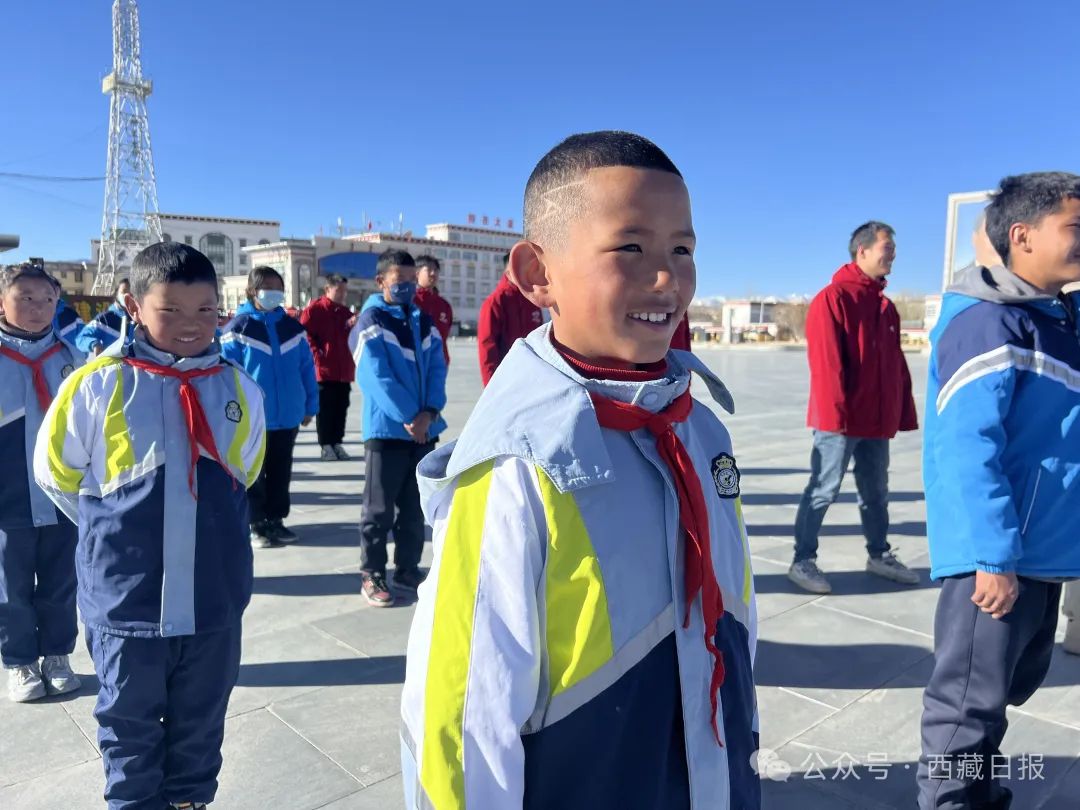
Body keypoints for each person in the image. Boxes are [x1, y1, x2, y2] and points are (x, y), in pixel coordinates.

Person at [400, 131, 759, 809]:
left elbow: (735, 621)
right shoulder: (516, 464)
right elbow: (462, 718)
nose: (667, 279)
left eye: (682, 251)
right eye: (631, 248)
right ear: (538, 273)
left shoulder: (700, 429)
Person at [34, 242, 266, 810]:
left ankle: (190, 800)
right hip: (127, 604)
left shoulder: (238, 387)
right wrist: (113, 534)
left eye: (205, 310)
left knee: (202, 719)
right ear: (133, 306)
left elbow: (249, 469)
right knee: (127, 723)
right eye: (171, 310)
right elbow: (56, 475)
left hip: (213, 599)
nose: (191, 325)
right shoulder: (96, 385)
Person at [918, 172, 1080, 808]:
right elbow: (966, 448)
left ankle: (979, 795)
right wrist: (992, 555)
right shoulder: (988, 323)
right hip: (998, 557)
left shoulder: (1056, 318)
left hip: (1039, 551)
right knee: (966, 706)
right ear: (1023, 236)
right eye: (1075, 227)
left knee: (1003, 690)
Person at [788, 220, 921, 594]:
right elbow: (826, 365)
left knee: (876, 491)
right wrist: (835, 418)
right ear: (862, 251)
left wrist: (900, 412)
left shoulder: (885, 307)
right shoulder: (833, 298)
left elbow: (896, 366)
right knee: (824, 488)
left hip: (875, 421)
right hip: (840, 421)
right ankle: (802, 560)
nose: (892, 255)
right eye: (887, 248)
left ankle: (879, 554)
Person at [0, 262, 82, 703]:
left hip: (61, 498)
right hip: (8, 496)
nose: (38, 308)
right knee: (9, 587)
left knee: (60, 583)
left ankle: (57, 654)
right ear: (2, 302)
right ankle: (19, 661)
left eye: (48, 299)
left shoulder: (72, 359)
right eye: (26, 298)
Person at [350, 249, 447, 607]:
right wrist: (411, 416)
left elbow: (437, 367)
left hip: (424, 428)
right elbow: (375, 376)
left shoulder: (423, 320)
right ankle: (372, 572)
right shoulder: (371, 321)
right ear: (381, 281)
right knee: (378, 509)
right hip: (387, 430)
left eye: (410, 279)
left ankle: (407, 568)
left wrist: (430, 412)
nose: (407, 286)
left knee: (414, 507)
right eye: (399, 280)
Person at [222, 266, 318, 549]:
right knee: (253, 473)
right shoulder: (237, 329)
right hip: (253, 418)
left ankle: (276, 519)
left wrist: (310, 405)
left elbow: (306, 369)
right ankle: (255, 523)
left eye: (279, 288)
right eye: (268, 288)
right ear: (252, 291)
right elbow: (227, 376)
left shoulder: (293, 328)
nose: (274, 293)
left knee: (280, 470)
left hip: (287, 415)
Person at [300, 273, 356, 460]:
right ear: (327, 289)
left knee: (341, 408)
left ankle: (337, 443)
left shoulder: (346, 314)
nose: (342, 294)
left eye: (345, 291)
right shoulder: (314, 311)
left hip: (344, 371)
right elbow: (306, 337)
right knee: (325, 409)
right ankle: (325, 445)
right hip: (324, 371)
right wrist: (318, 356)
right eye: (339, 290)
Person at [477, 252, 544, 385]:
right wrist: (492, 386)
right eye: (517, 266)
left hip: (533, 379)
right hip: (506, 380)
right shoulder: (495, 302)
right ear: (508, 271)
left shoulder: (533, 301)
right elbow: (487, 346)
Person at [413, 255, 453, 366]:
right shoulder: (410, 301)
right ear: (417, 273)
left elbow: (445, 335)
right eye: (429, 269)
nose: (433, 273)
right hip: (414, 365)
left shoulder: (444, 305)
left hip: (439, 364)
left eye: (436, 270)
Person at [76, 278, 132, 355]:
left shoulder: (138, 320)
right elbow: (80, 339)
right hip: (110, 362)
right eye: (124, 292)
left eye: (131, 293)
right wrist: (94, 344)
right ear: (116, 294)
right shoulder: (105, 318)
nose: (127, 296)